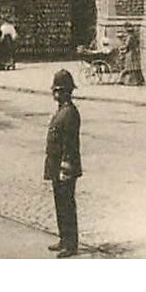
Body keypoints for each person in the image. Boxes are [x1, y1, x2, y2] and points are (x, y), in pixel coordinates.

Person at [45, 69, 82, 258]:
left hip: (64, 168)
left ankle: (71, 244)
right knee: (60, 203)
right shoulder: (63, 110)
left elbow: (70, 144)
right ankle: (63, 238)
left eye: (58, 90)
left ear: (66, 92)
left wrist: (65, 167)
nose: (55, 94)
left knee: (67, 204)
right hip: (56, 165)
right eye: (55, 90)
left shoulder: (69, 113)